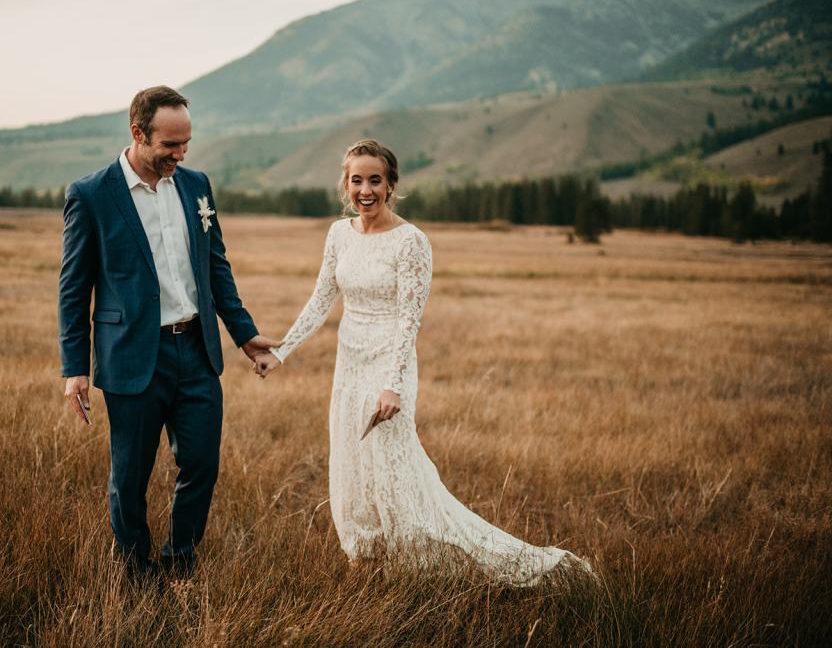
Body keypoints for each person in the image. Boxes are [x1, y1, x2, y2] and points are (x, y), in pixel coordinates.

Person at [253, 139, 590, 585]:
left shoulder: (412, 242)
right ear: (345, 185)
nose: (366, 190)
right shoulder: (339, 234)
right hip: (349, 369)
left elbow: (409, 324)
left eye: (376, 180)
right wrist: (280, 352)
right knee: (353, 469)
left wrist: (392, 385)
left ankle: (441, 566)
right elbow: (322, 299)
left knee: (396, 475)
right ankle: (368, 565)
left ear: (391, 184)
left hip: (389, 371)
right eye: (357, 180)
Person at [58, 86, 281, 583]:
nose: (180, 155)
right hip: (133, 358)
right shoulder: (91, 195)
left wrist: (244, 335)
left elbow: (214, 267)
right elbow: (73, 290)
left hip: (196, 352)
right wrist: (74, 368)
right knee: (130, 477)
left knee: (202, 464)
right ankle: (139, 575)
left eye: (187, 144)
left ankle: (181, 562)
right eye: (170, 146)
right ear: (138, 134)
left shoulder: (196, 185)